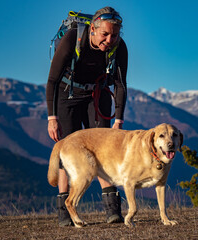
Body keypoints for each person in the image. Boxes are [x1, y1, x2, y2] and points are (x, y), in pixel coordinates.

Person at [46, 7, 128, 227]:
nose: (110, 40)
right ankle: (64, 213)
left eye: (115, 35)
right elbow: (52, 81)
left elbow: (120, 84)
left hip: (97, 94)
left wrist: (118, 120)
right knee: (68, 151)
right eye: (105, 34)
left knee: (105, 150)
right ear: (93, 29)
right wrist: (51, 118)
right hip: (68, 94)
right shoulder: (73, 38)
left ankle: (113, 211)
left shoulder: (119, 47)